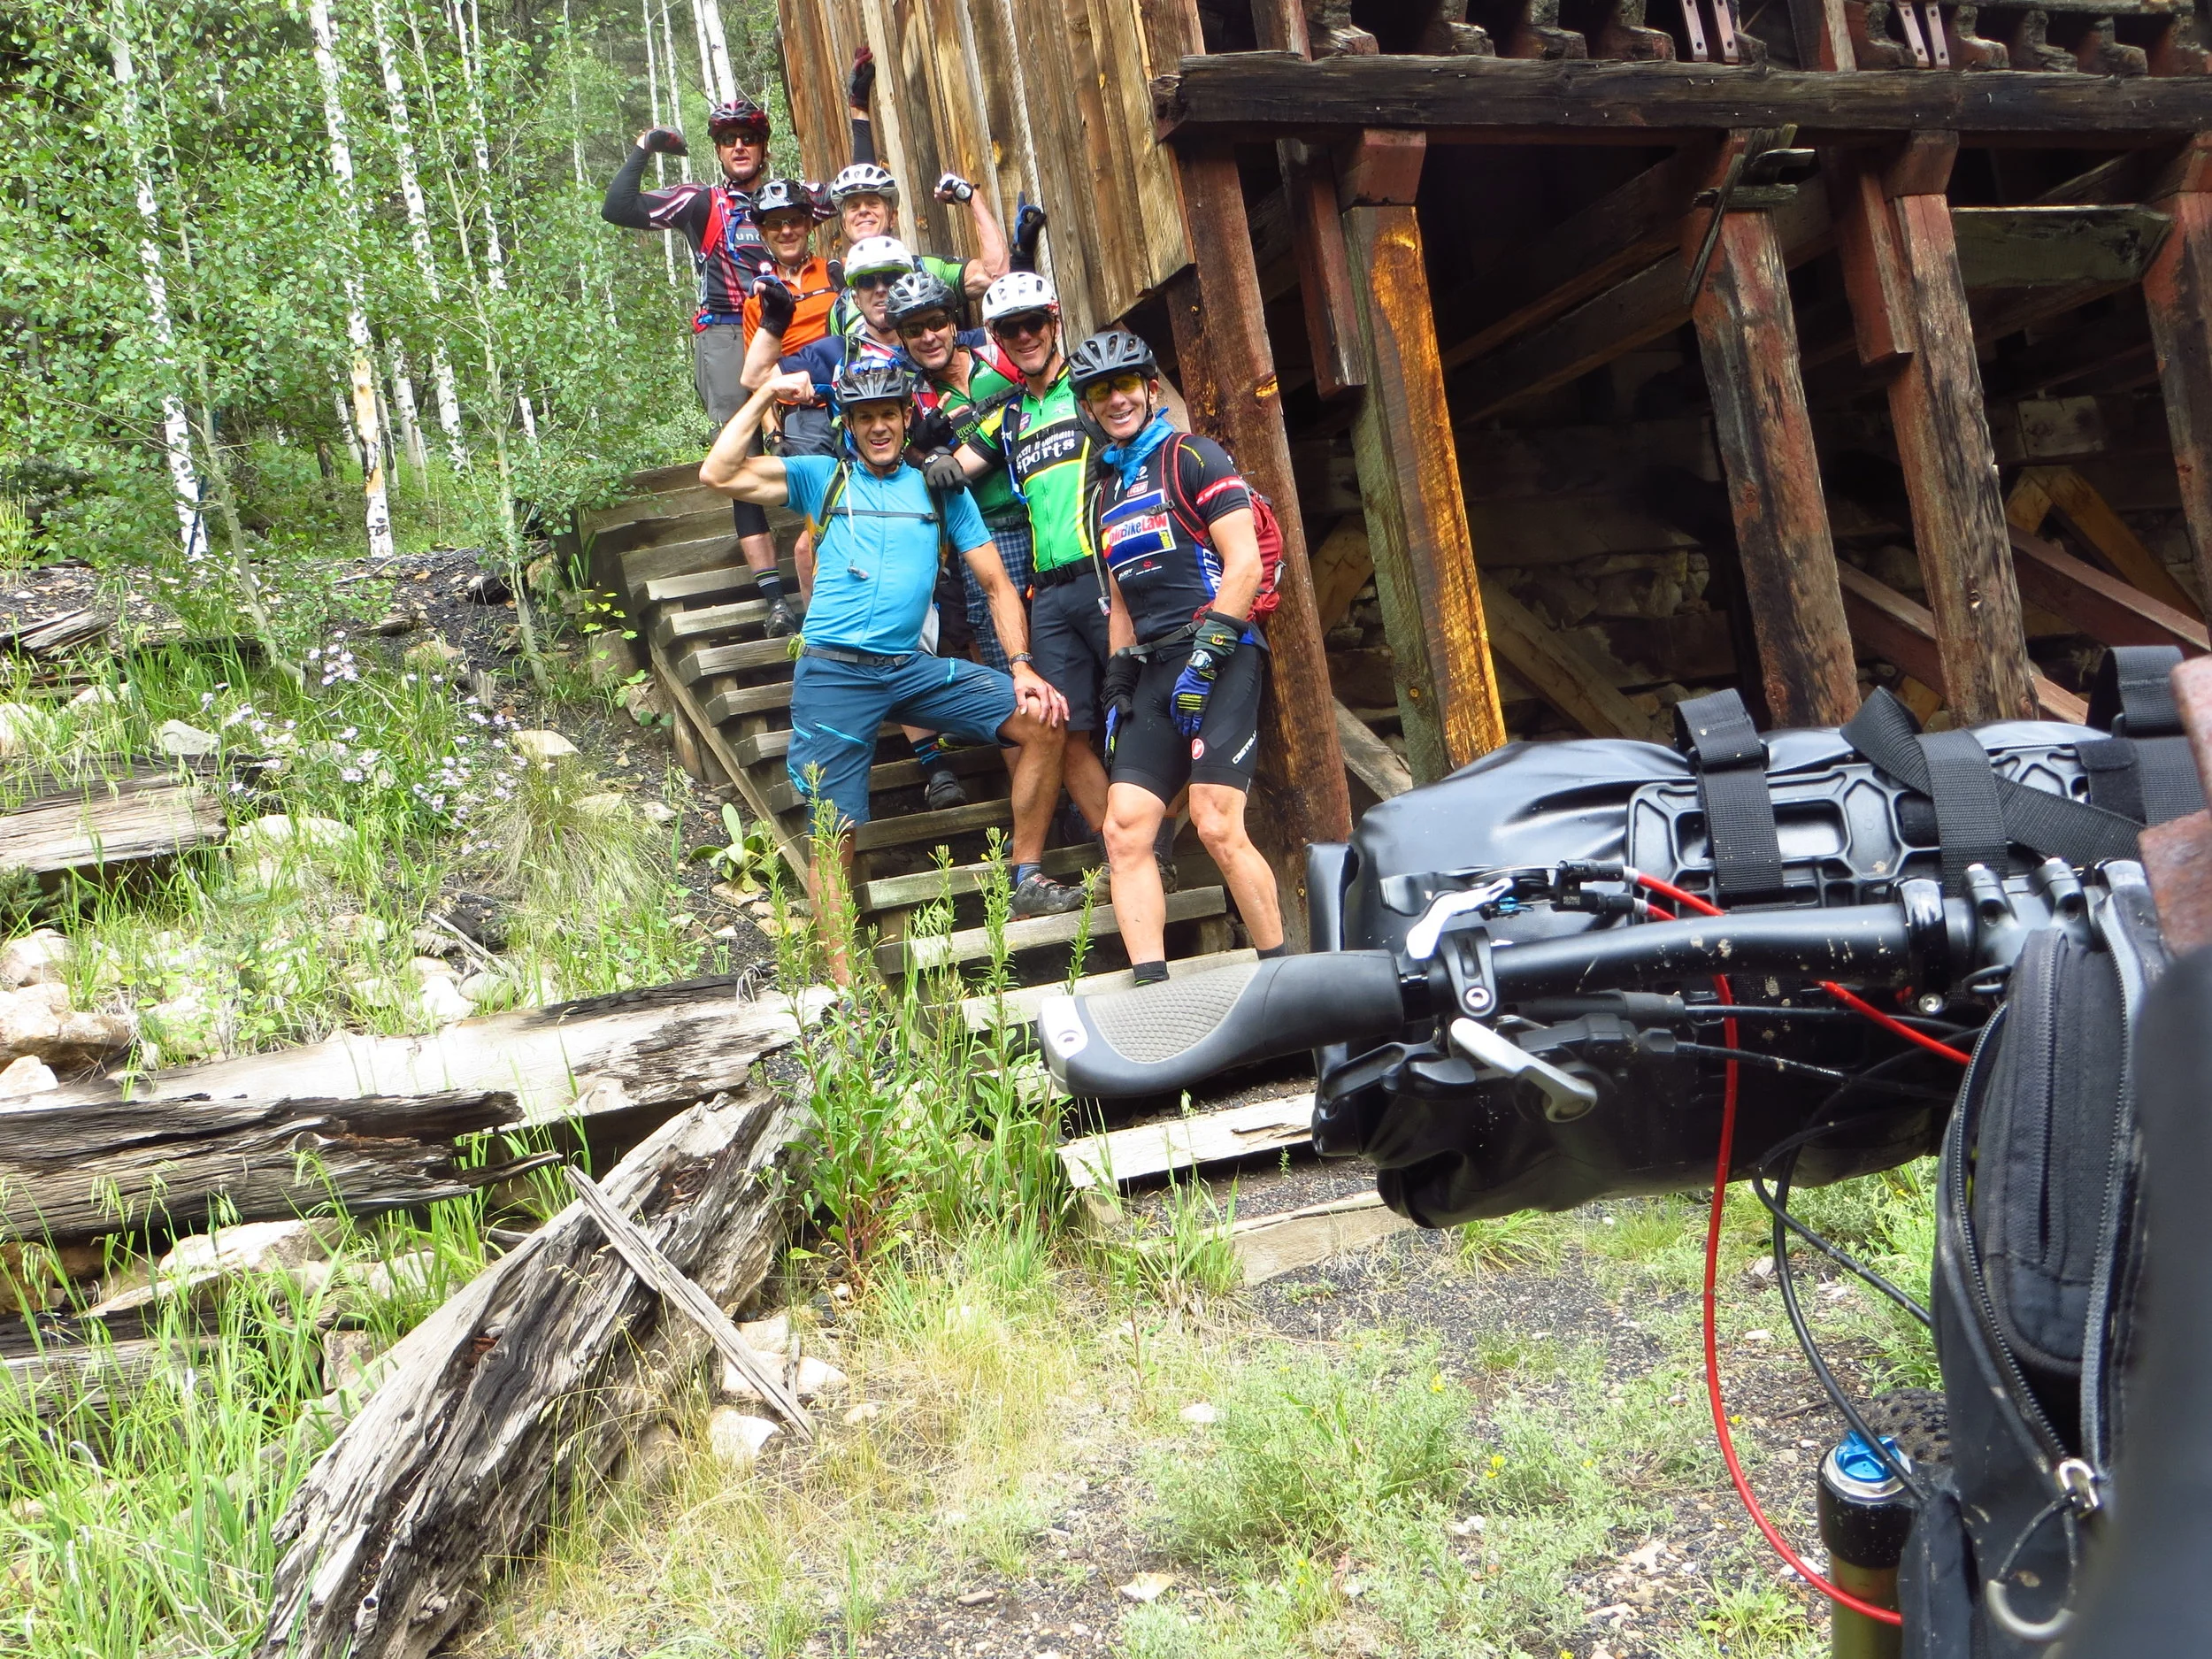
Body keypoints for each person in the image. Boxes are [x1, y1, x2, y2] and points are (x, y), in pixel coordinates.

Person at [698, 359, 1087, 971]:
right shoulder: (823, 478)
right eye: (864, 417)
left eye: (888, 414)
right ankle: (846, 986)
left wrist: (1021, 666)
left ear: (907, 417)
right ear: (849, 424)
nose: (877, 426)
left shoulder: (939, 490)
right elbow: (716, 472)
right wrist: (766, 392)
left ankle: (1026, 880)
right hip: (834, 672)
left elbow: (996, 584)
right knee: (834, 831)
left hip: (908, 665)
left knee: (1041, 718)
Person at [1071, 329, 1286, 981]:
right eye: (1100, 392)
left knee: (1214, 820)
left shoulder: (1195, 456)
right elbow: (1121, 601)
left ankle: (1282, 973)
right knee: (1124, 829)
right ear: (1088, 405)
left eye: (1124, 385)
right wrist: (1117, 680)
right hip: (1156, 667)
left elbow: (1244, 565)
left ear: (1149, 389)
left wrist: (1208, 657)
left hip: (1222, 653)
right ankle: (1151, 989)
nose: (1115, 400)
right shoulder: (1105, 492)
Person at [601, 97, 798, 634]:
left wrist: (858, 112)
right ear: (718, 149)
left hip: (789, 327)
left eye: (749, 138)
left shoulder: (790, 200)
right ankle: (774, 601)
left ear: (764, 147)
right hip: (727, 333)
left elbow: (858, 199)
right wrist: (645, 146)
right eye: (728, 139)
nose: (739, 146)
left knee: (809, 441)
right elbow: (618, 207)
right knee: (739, 457)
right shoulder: (701, 201)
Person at [886, 269, 1030, 672]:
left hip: (1045, 513)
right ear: (902, 340)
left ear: (953, 323)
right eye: (914, 330)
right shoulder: (911, 398)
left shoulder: (999, 357)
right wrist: (921, 449)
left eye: (936, 323)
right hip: (987, 532)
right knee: (1007, 661)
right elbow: (894, 465)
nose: (928, 337)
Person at [740, 179, 841, 462]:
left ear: (808, 224)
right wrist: (774, 436)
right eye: (775, 224)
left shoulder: (838, 274)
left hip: (856, 401)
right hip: (802, 416)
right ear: (763, 232)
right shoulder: (759, 299)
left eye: (794, 220)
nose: (786, 231)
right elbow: (758, 377)